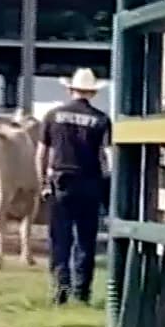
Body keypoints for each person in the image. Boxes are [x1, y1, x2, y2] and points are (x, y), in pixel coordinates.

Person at [37, 68, 111, 305]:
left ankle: (61, 286)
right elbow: (108, 157)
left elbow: (41, 153)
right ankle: (82, 291)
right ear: (93, 93)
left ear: (70, 90)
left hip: (61, 183)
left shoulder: (52, 115)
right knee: (85, 239)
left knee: (60, 238)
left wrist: (42, 181)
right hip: (90, 184)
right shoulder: (101, 120)